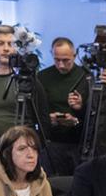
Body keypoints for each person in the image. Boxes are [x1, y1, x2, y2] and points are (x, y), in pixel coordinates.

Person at [0, 24, 50, 164]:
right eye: (0, 43)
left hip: (24, 158)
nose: (6, 48)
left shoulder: (30, 82)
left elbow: (44, 122)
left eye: (11, 43)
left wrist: (35, 151)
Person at [36, 37, 90, 176]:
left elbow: (94, 114)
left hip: (78, 143)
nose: (61, 65)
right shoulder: (42, 77)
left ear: (75, 55)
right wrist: (48, 120)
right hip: (50, 143)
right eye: (57, 60)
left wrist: (78, 115)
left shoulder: (86, 77)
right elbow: (35, 110)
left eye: (66, 60)